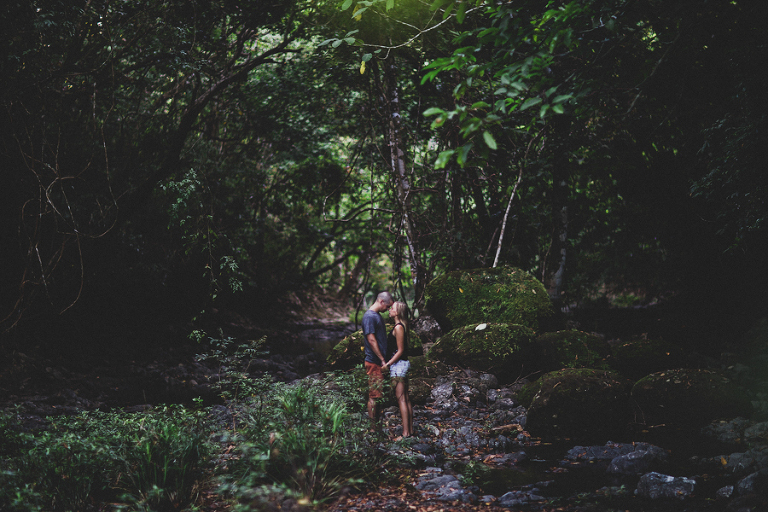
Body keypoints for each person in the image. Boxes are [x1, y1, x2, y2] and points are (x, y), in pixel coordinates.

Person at [382, 300, 413, 439]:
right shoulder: (399, 326)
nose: (389, 309)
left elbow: (400, 351)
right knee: (405, 399)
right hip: (401, 364)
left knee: (401, 399)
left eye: (392, 308)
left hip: (399, 365)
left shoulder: (399, 327)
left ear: (398, 312)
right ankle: (410, 430)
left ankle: (406, 433)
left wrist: (387, 365)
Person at [361, 291, 393, 425]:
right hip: (374, 361)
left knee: (378, 393)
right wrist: (381, 359)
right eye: (387, 306)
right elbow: (371, 339)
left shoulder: (376, 316)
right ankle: (373, 427)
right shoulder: (369, 316)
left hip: (378, 361)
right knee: (374, 395)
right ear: (381, 301)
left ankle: (377, 423)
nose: (388, 310)